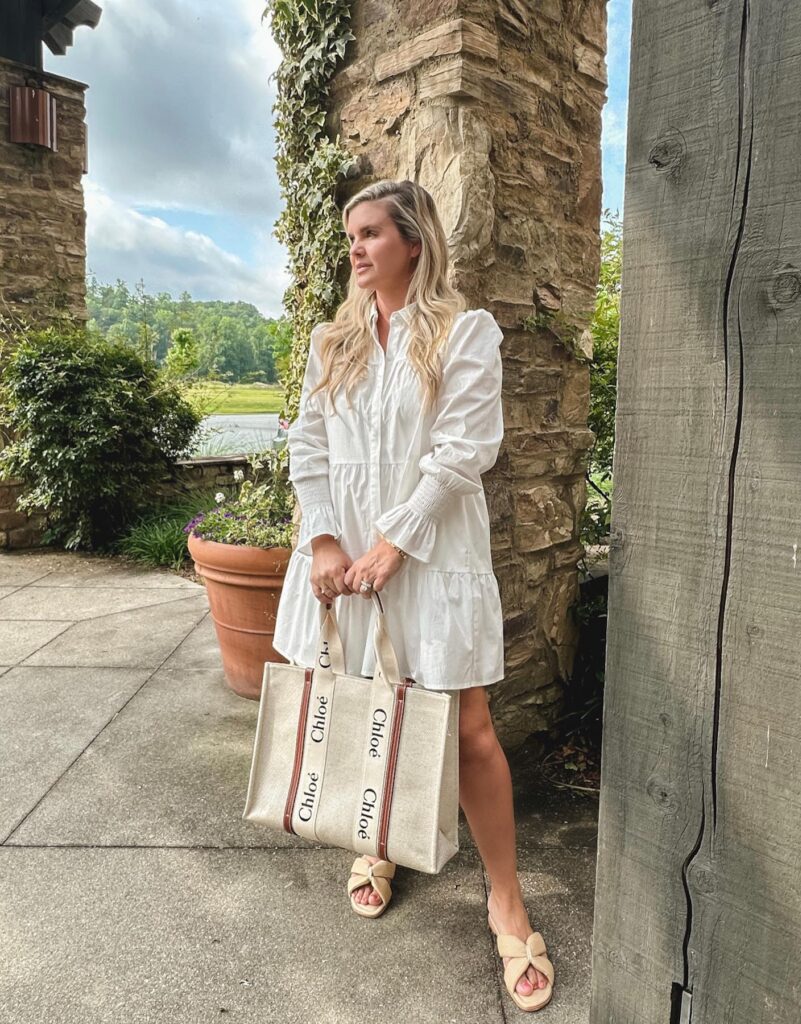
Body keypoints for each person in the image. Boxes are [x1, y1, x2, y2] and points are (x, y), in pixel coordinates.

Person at [271, 179, 554, 1012]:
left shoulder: (465, 333)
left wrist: (395, 541)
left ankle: (506, 900)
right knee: (363, 702)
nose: (354, 249)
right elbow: (308, 449)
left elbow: (466, 449)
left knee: (467, 731)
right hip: (346, 554)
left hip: (428, 554)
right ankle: (380, 841)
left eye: (369, 234)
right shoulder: (333, 342)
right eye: (350, 236)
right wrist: (323, 537)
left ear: (413, 242)